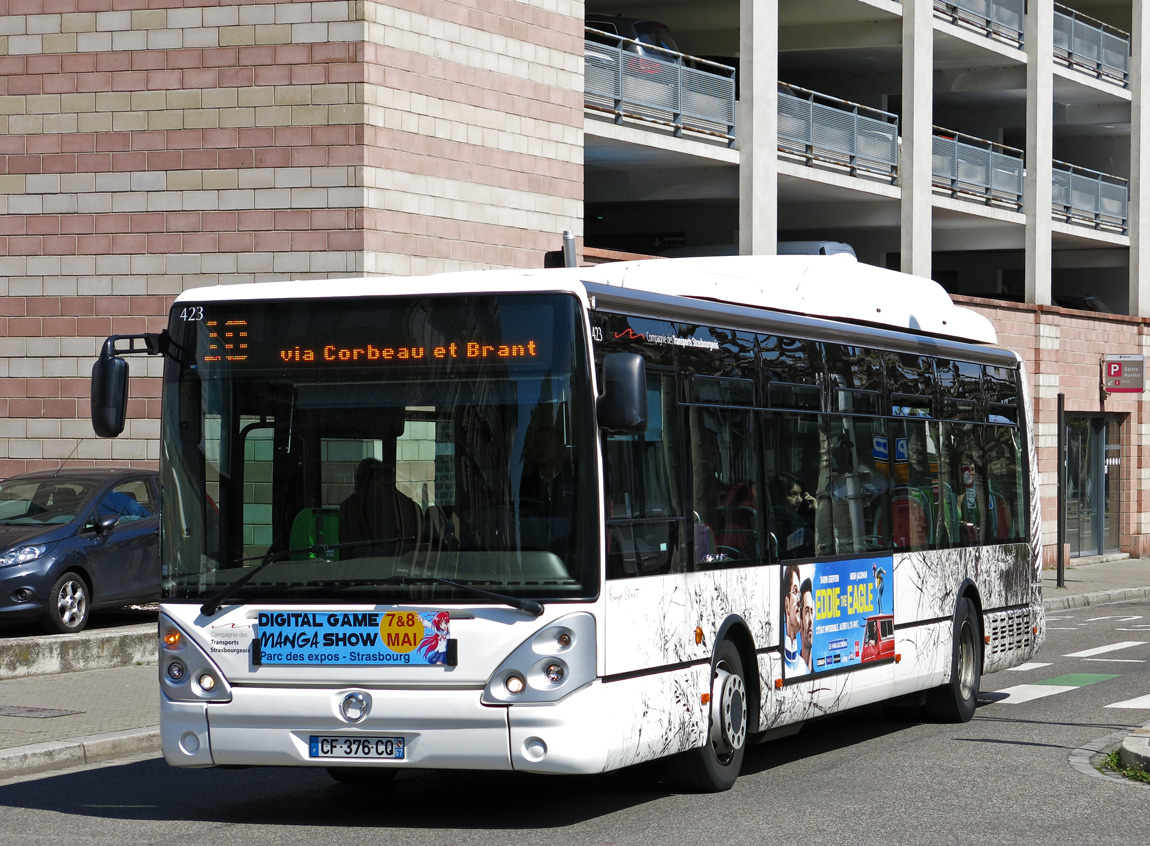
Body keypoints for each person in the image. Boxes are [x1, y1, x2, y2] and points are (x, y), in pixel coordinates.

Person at [340, 457, 421, 557]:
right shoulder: (349, 507)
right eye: (358, 479)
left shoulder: (408, 507)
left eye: (363, 479)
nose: (358, 484)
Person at [519, 424, 576, 554]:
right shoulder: (525, 485)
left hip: (568, 554)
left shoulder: (575, 482)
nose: (541, 449)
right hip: (532, 555)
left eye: (546, 444)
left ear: (561, 449)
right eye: (537, 444)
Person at [773, 474, 815, 559]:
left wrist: (813, 510)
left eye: (801, 495)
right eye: (793, 495)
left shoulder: (801, 516)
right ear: (780, 496)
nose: (799, 500)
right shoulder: (780, 513)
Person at [783, 564, 806, 675]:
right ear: (787, 605)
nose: (799, 600)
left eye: (799, 594)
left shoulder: (804, 668)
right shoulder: (778, 666)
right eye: (795, 591)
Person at [800, 577, 815, 673]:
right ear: (800, 620)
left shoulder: (818, 678)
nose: (810, 620)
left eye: (811, 612)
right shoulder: (792, 673)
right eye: (806, 612)